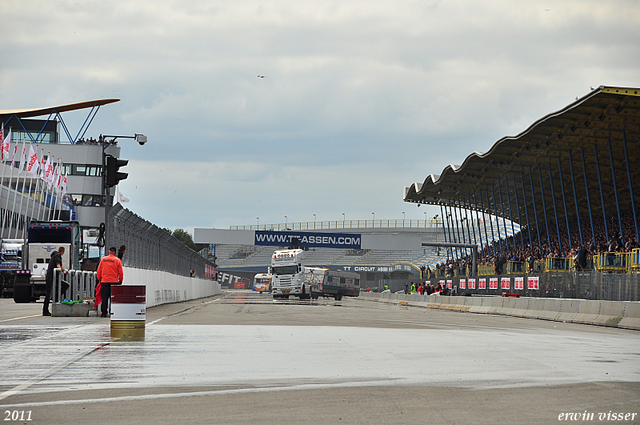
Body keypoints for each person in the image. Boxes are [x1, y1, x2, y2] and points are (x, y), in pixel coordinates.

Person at [97, 247, 124, 318]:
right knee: (113, 298)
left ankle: (104, 313)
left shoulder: (103, 260)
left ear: (109, 252)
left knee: (104, 297)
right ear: (115, 253)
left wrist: (100, 279)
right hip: (114, 282)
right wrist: (120, 280)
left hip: (104, 281)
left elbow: (99, 270)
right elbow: (120, 272)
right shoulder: (117, 260)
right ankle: (112, 312)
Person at [43, 246, 65, 316]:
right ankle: (55, 297)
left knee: (48, 294)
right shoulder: (58, 255)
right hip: (53, 277)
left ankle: (45, 309)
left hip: (50, 276)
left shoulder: (54, 255)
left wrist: (63, 269)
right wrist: (61, 270)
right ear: (63, 252)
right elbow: (58, 265)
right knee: (65, 285)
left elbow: (60, 266)